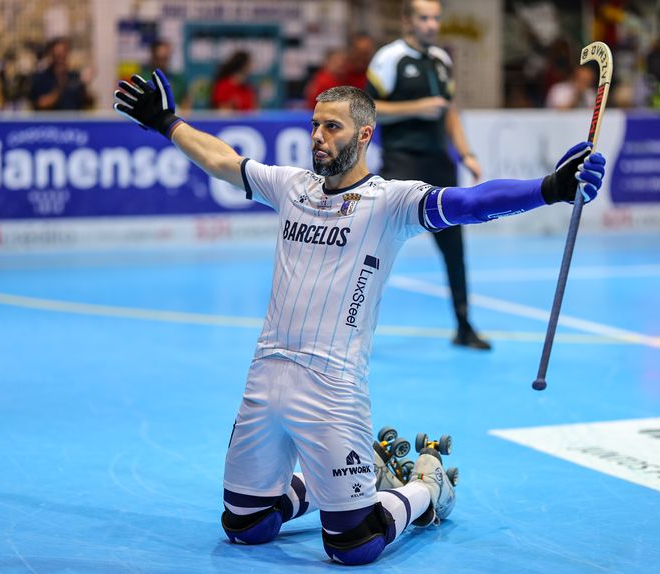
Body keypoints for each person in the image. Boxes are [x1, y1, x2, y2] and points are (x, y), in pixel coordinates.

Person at [113, 69, 605, 565]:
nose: (318, 138)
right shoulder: (291, 186)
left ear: (364, 135)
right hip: (264, 377)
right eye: (315, 126)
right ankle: (364, 468)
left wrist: (548, 188)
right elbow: (221, 159)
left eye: (333, 128)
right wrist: (164, 120)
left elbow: (471, 203)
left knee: (353, 545)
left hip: (332, 390)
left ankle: (426, 488)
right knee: (246, 527)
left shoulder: (390, 202)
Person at [366, 0, 491, 350]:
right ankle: (350, 327)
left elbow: (449, 112)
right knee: (374, 246)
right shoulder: (388, 59)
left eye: (436, 18)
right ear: (407, 20)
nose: (432, 25)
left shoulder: (441, 60)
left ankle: (464, 326)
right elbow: (368, 110)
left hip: (440, 165)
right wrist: (416, 108)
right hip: (402, 164)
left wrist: (466, 153)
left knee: (455, 249)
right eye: (424, 18)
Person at [30, 37, 93, 110]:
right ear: (51, 54)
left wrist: (84, 85)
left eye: (64, 54)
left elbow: (88, 102)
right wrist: (61, 86)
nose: (61, 59)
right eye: (58, 55)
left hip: (74, 120)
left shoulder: (75, 76)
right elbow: (41, 104)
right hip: (51, 120)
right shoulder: (40, 78)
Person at [141, 40, 190, 111]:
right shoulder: (143, 79)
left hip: (174, 119)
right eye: (159, 59)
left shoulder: (178, 79)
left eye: (165, 59)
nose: (162, 63)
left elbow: (186, 102)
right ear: (152, 57)